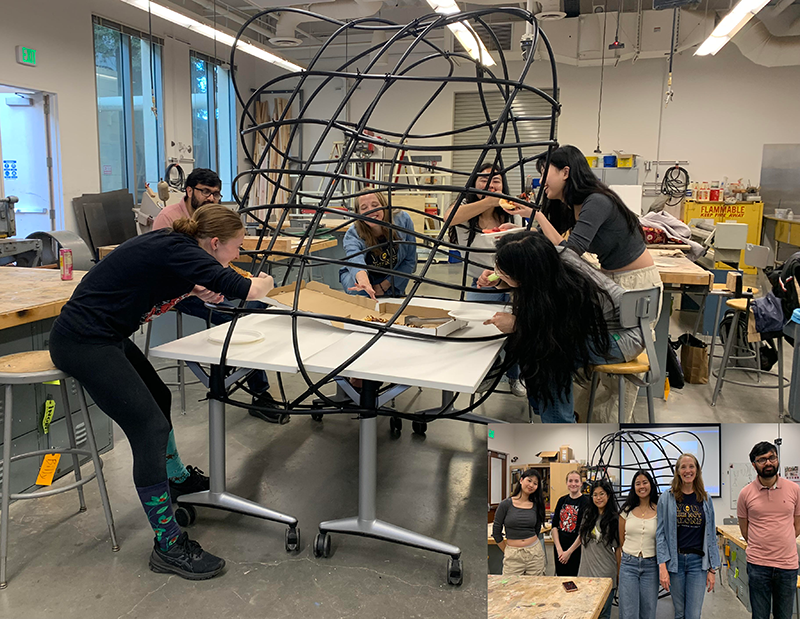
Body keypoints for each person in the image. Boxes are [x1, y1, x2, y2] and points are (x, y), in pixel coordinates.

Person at [49, 205, 275, 580]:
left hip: (106, 334)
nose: (238, 255)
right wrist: (264, 283)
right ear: (214, 243)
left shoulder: (179, 249)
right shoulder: (179, 249)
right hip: (83, 341)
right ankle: (168, 545)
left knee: (160, 397)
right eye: (237, 247)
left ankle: (177, 478)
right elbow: (247, 289)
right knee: (149, 428)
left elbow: (163, 279)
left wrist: (195, 288)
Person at [532, 145, 663, 420]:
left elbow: (570, 252)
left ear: (565, 172)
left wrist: (537, 217)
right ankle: (582, 420)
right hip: (613, 280)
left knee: (617, 372)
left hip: (635, 285)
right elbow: (558, 245)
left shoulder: (596, 201)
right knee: (589, 355)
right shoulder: (572, 205)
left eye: (545, 173)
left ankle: (610, 431)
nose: (541, 181)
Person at [152, 168, 284, 425]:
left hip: (209, 280)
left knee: (259, 303)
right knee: (234, 317)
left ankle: (233, 361)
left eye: (216, 194)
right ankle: (256, 392)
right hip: (183, 290)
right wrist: (211, 287)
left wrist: (243, 281)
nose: (211, 198)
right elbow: (170, 269)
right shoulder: (168, 218)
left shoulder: (213, 217)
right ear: (189, 190)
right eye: (205, 192)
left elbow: (221, 264)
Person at [480, 231, 645, 423]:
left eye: (504, 271)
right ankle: (546, 412)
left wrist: (519, 324)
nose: (497, 271)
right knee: (533, 345)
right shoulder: (548, 262)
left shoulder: (571, 286)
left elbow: (560, 333)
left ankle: (560, 424)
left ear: (525, 275)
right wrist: (501, 280)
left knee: (549, 355)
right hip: (594, 329)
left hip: (621, 336)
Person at [445, 164, 525, 397]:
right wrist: (489, 201)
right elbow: (448, 218)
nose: (490, 184)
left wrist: (502, 204)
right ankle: (486, 373)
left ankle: (515, 376)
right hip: (480, 282)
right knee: (478, 328)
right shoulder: (464, 207)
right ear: (474, 183)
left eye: (496, 180)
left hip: (513, 282)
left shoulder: (511, 210)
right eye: (484, 179)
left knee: (516, 332)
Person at [737, 441, 800, 619]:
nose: (768, 463)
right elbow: (744, 530)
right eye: (762, 459)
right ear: (754, 464)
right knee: (759, 616)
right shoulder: (745, 494)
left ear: (777, 459)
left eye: (772, 457)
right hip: (758, 565)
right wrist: (762, 544)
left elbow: (797, 524)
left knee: (784, 616)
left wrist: (783, 540)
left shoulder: (794, 489)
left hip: (787, 566)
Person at [656, 453, 720, 619]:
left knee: (693, 614)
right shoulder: (667, 498)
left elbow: (711, 535)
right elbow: (660, 534)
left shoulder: (705, 499)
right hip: (675, 562)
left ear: (697, 470)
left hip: (698, 564)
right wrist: (662, 567)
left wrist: (712, 569)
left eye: (691, 466)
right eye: (683, 467)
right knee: (679, 613)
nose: (687, 470)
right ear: (677, 471)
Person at [339, 191, 417, 299]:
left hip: (392, 277)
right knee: (359, 289)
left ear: (384, 205)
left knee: (394, 298)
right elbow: (355, 259)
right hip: (365, 278)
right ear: (358, 213)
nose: (371, 210)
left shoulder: (403, 220)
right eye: (364, 207)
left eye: (375, 205)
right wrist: (364, 283)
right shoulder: (353, 234)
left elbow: (409, 260)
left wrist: (384, 286)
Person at [619, 470, 660, 619]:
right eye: (638, 484)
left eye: (645, 482)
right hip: (628, 565)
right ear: (633, 487)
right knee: (628, 612)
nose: (642, 486)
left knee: (648, 611)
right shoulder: (626, 511)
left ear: (651, 485)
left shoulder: (659, 510)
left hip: (651, 565)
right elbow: (621, 540)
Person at [577, 479, 621, 619]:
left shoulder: (614, 519)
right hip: (585, 572)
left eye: (602, 494)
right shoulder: (588, 515)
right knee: (585, 612)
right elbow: (581, 538)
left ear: (608, 495)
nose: (598, 498)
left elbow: (618, 549)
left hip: (605, 573)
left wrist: (618, 574)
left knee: (603, 615)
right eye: (595, 495)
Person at [491, 468, 546, 576]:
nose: (531, 485)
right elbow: (496, 531)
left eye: (535, 483)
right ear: (521, 480)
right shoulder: (505, 504)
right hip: (513, 555)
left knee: (535, 585)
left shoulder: (537, 505)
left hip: (535, 554)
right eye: (529, 480)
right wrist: (507, 550)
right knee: (511, 585)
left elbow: (537, 529)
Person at [551, 470, 590, 576]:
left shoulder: (586, 502)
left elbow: (584, 531)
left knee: (574, 580)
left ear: (581, 484)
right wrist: (559, 549)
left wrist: (569, 552)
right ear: (566, 483)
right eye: (570, 481)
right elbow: (554, 526)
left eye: (576, 481)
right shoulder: (561, 500)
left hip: (576, 550)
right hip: (560, 549)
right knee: (561, 579)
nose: (573, 484)